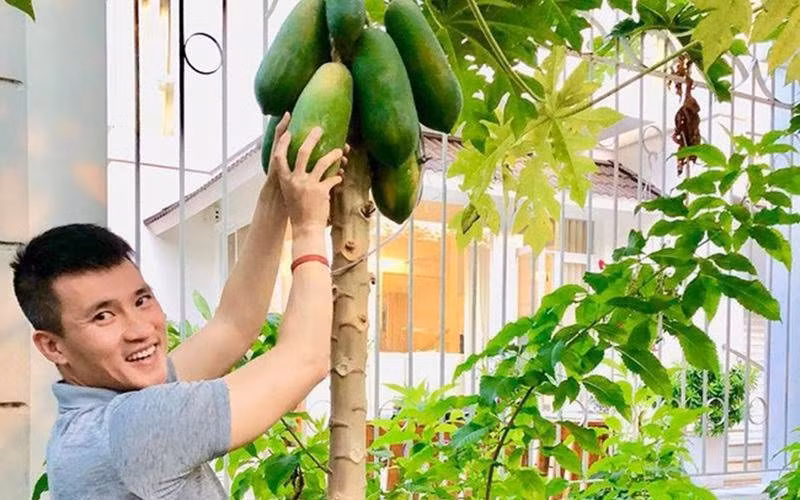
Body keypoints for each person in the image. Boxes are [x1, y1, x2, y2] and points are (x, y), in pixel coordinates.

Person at [10, 113, 345, 499]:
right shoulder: (129, 429)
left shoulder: (107, 408)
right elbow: (306, 359)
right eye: (103, 316)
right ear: (53, 346)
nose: (139, 329)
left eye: (141, 299)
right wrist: (307, 229)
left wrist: (275, 192)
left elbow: (232, 327)